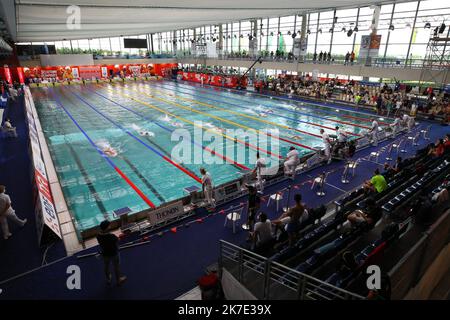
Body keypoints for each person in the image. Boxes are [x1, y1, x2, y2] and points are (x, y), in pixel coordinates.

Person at [96, 220, 127, 286]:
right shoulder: (111, 236)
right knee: (116, 266)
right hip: (113, 253)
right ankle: (119, 280)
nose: (110, 226)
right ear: (107, 228)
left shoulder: (98, 235)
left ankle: (108, 278)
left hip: (104, 254)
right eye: (109, 225)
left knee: (106, 266)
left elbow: (100, 243)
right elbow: (118, 240)